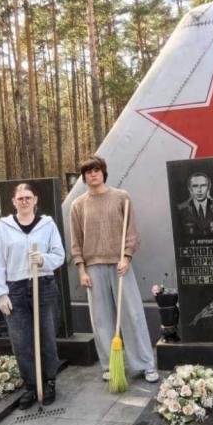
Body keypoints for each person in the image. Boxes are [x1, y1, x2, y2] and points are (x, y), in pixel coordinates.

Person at [70, 155, 159, 383]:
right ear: (84, 177)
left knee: (133, 315)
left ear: (103, 172)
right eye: (88, 172)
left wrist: (126, 257)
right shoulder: (78, 205)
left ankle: (145, 364)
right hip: (93, 267)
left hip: (120, 264)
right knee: (101, 320)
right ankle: (110, 365)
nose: (93, 174)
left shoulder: (121, 197)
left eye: (96, 170)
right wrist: (81, 270)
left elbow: (132, 232)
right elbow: (76, 241)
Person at [0, 183, 64, 408]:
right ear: (13, 202)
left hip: (43, 285)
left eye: (28, 197)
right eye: (20, 198)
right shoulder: (4, 227)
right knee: (21, 341)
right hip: (16, 289)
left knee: (46, 337)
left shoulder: (47, 225)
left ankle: (49, 382)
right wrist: (1, 294)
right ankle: (31, 385)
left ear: (35, 200)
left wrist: (42, 259)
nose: (24, 201)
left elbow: (59, 255)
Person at [176, 172, 213, 237]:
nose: (199, 190)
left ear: (209, 187)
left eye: (203, 185)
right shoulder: (181, 209)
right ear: (190, 189)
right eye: (195, 186)